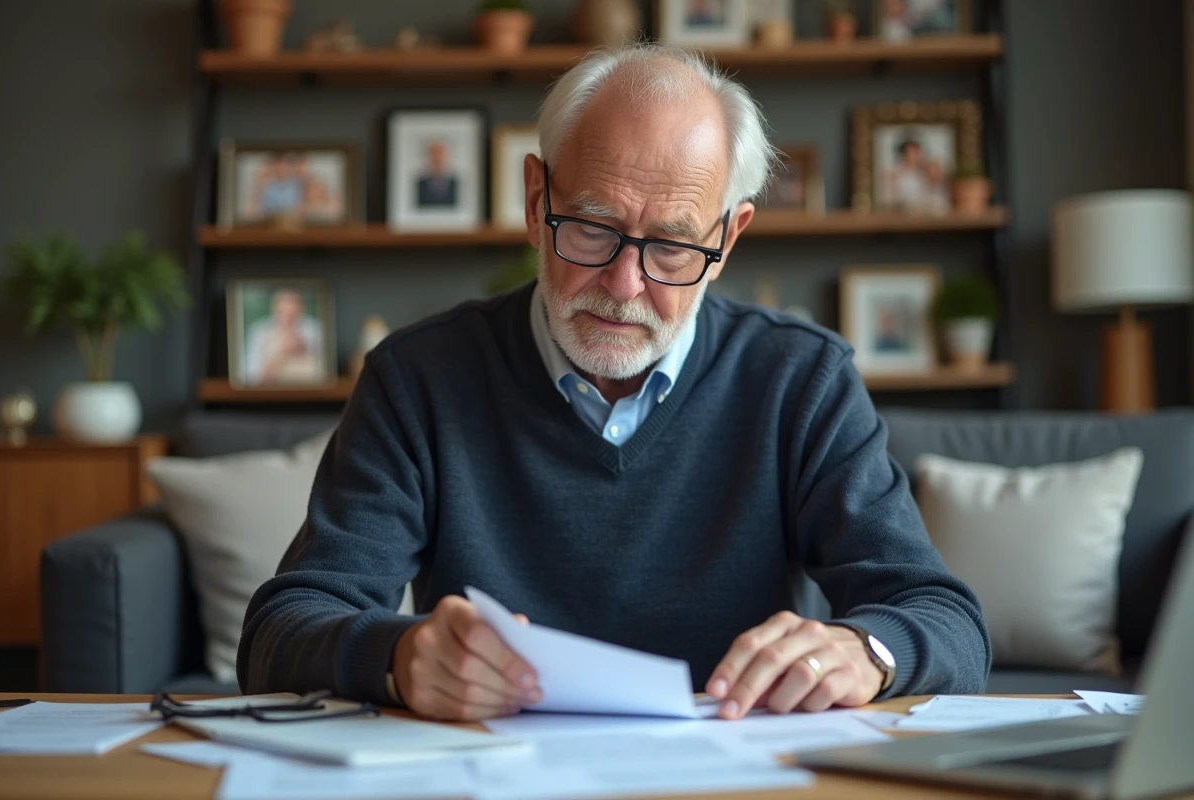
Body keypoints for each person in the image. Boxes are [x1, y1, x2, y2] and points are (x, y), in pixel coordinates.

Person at [238, 44, 990, 723]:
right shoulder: (417, 379)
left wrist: (866, 651)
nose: (625, 285)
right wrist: (398, 657)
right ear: (536, 200)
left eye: (671, 246)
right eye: (593, 229)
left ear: (727, 238)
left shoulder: (801, 380)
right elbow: (282, 628)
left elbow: (945, 617)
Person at [243, 288, 325, 385]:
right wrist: (282, 354)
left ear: (302, 309)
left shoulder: (315, 329)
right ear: (274, 309)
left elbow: (325, 371)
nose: (288, 319)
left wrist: (304, 348)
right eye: (283, 312)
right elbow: (253, 377)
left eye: (293, 314)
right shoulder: (259, 332)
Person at [416, 139, 459, 208]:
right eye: (434, 155)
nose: (437, 159)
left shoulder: (455, 183)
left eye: (440, 154)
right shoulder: (420, 183)